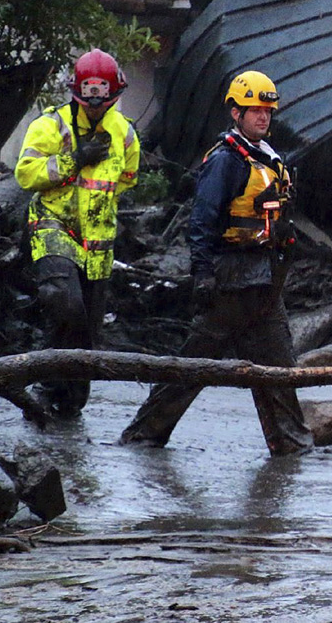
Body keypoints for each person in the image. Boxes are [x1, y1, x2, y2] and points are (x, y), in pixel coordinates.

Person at [119, 71, 313, 455]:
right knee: (193, 368)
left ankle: (293, 450)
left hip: (264, 284)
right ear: (235, 113)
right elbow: (202, 221)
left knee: (279, 371)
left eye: (268, 111)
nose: (263, 117)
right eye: (255, 110)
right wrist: (203, 274)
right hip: (230, 283)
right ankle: (142, 438)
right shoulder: (225, 161)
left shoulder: (271, 159)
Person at [15, 48, 140, 417]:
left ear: (114, 95)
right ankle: (41, 386)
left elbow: (127, 179)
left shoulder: (126, 134)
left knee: (87, 328)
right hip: (52, 226)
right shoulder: (51, 125)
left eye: (105, 98)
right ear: (77, 93)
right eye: (90, 98)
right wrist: (75, 159)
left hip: (98, 241)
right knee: (64, 303)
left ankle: (69, 406)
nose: (97, 106)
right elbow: (26, 173)